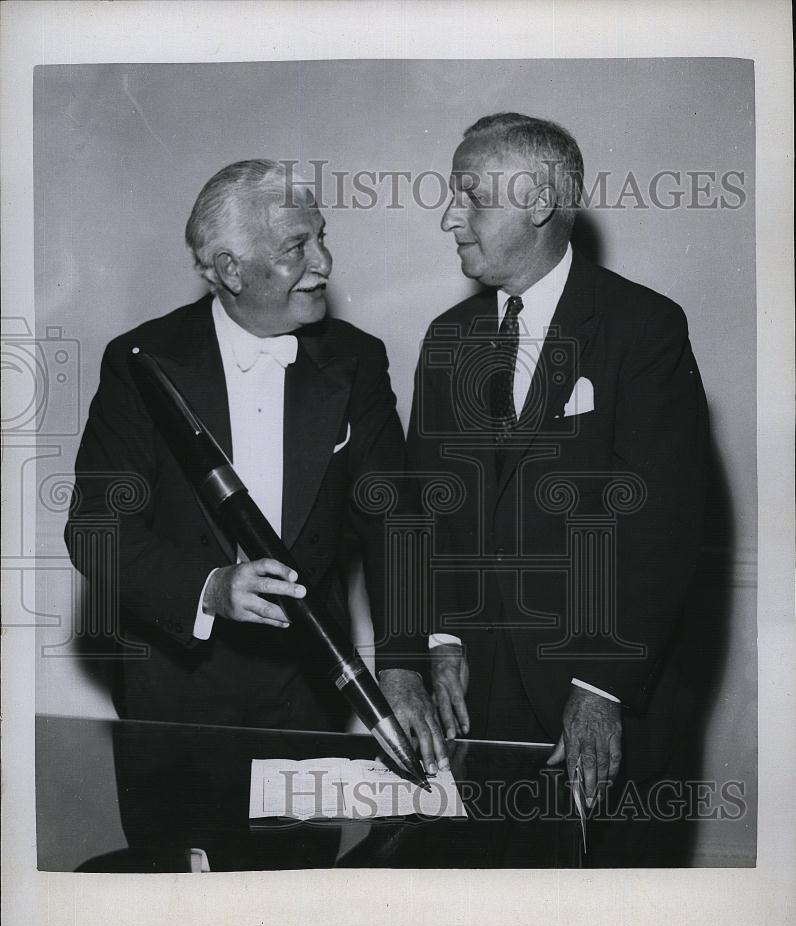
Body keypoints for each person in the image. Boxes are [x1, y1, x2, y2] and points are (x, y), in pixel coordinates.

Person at [66, 159, 444, 767]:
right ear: (228, 269)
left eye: (322, 236)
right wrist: (211, 588)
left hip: (312, 685)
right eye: (298, 246)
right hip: (173, 683)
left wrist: (401, 667)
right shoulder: (141, 362)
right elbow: (95, 530)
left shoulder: (358, 360)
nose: (323, 262)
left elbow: (395, 523)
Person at [405, 114, 709, 861]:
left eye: (470, 197)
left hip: (603, 700)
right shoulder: (447, 339)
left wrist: (601, 689)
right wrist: (439, 639)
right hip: (476, 705)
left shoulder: (645, 330)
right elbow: (422, 507)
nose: (450, 216)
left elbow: (664, 528)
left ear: (539, 202)